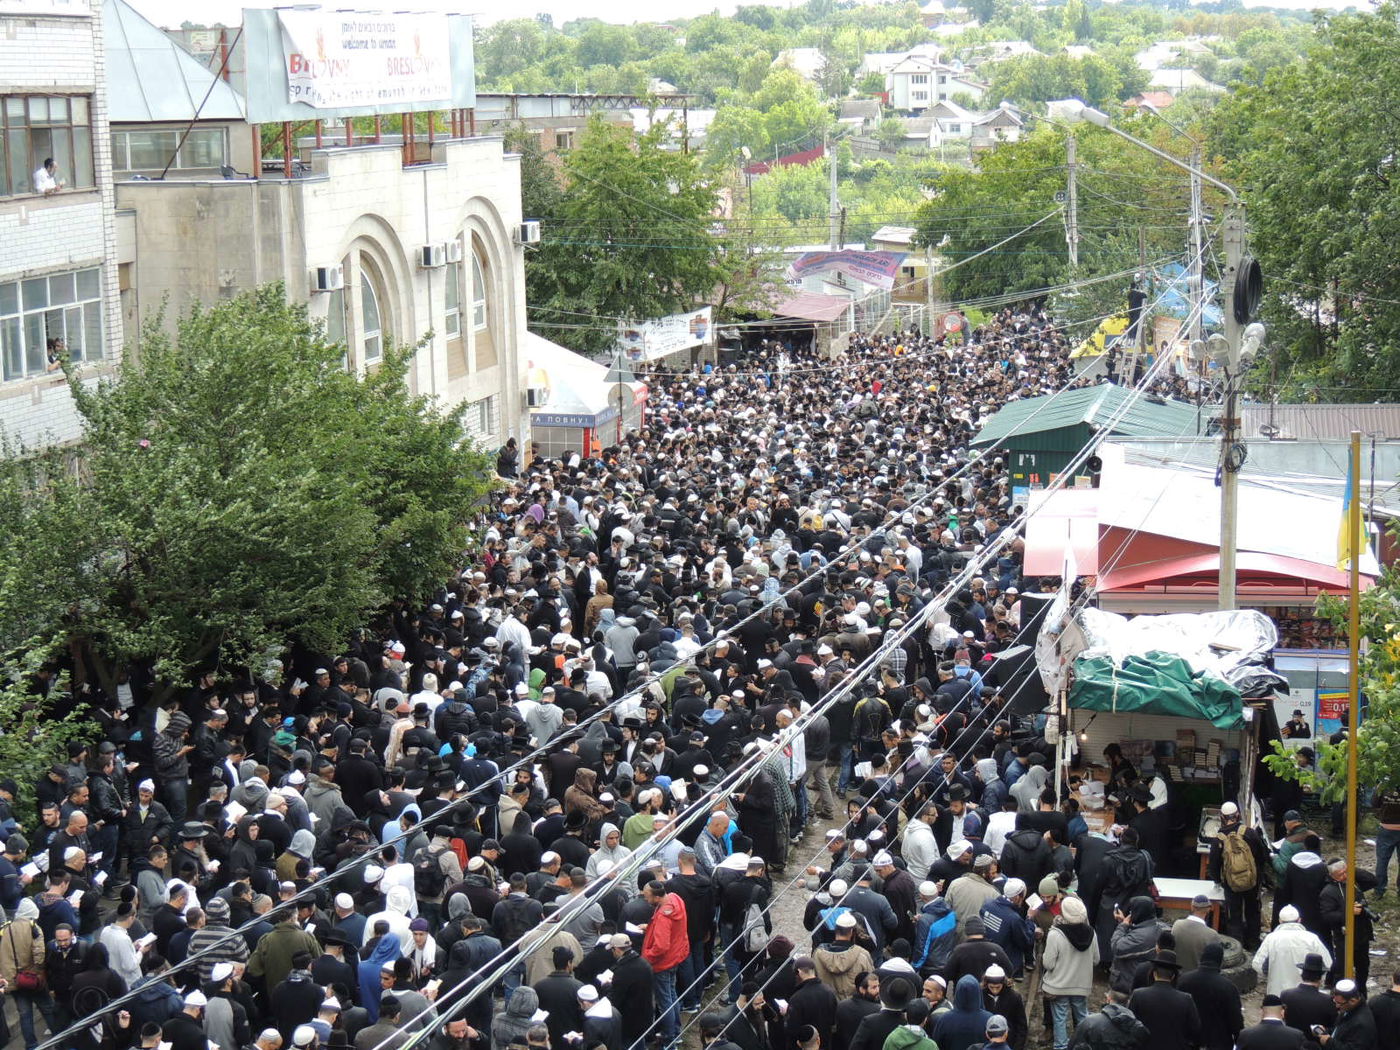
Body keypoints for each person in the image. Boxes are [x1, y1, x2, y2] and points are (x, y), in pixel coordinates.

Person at [1207, 801, 1267, 949]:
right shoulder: (1249, 832)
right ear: (1238, 815)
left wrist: (1218, 881)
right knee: (1253, 911)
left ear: (1222, 817)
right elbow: (1262, 855)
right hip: (1252, 881)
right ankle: (1253, 943)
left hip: (1231, 884)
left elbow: (1213, 866)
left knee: (1234, 915)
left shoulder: (1219, 839)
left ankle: (1236, 947)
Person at [1042, 896, 1099, 1050]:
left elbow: (1048, 963)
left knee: (1060, 1018)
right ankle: (1083, 1045)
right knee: (1082, 1016)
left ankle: (1061, 1046)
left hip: (1058, 986)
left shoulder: (1055, 934)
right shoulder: (1091, 933)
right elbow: (1096, 960)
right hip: (1081, 985)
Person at [1126, 952, 1200, 1050]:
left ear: (1154, 973)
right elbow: (1195, 1030)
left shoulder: (1138, 995)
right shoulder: (1186, 999)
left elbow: (1128, 1026)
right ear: (1173, 976)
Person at [1252, 907, 1332, 998]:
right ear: (1299, 920)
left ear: (1280, 921)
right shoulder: (1312, 938)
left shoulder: (1271, 939)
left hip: (1278, 993)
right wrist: (1315, 980)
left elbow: (1258, 965)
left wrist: (1273, 974)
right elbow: (1327, 963)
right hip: (1306, 995)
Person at [1177, 944, 1242, 1050]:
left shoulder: (1183, 980)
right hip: (1218, 1043)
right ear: (1220, 962)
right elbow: (1236, 1021)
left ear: (1202, 957)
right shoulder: (1228, 987)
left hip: (1188, 1042)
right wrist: (1239, 1041)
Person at [1068, 990, 1149, 1050]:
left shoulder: (1089, 1022)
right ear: (1127, 1002)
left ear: (1108, 999)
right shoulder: (1138, 1028)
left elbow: (1073, 1045)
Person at [1169, 896, 1220, 973]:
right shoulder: (1212, 935)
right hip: (1197, 980)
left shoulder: (1177, 924)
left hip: (1175, 975)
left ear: (1192, 907)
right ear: (1209, 909)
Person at [1320, 980, 1377, 1050]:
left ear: (1352, 1001)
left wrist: (1329, 1042)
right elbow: (1340, 1029)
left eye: (1339, 1003)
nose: (1336, 1006)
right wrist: (1326, 1031)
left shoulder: (1362, 1024)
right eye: (1335, 1002)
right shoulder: (1348, 1009)